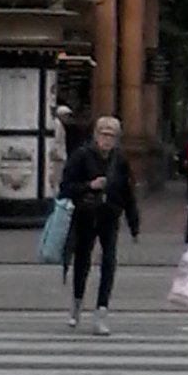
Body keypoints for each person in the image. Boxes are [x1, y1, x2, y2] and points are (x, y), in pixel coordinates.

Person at [59, 115, 140, 335]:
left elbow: (128, 192)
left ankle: (101, 312)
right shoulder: (82, 156)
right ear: (95, 135)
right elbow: (65, 187)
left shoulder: (119, 160)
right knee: (82, 260)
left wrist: (134, 224)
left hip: (109, 215)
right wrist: (89, 185)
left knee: (109, 262)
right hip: (85, 215)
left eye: (111, 135)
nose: (107, 139)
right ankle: (76, 304)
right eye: (103, 133)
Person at [49, 105, 73, 193]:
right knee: (56, 180)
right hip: (58, 157)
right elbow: (56, 141)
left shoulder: (60, 125)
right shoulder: (57, 125)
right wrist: (57, 154)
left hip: (60, 156)